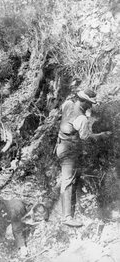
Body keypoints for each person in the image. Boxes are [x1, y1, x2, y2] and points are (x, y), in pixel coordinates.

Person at [56, 89, 112, 227]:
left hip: (60, 145)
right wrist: (102, 135)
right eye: (89, 103)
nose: (90, 106)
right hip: (70, 151)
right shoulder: (81, 119)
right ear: (85, 102)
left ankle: (68, 208)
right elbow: (86, 138)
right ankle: (66, 217)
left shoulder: (68, 104)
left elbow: (63, 116)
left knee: (71, 178)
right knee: (68, 181)